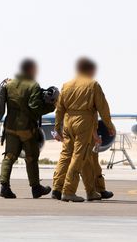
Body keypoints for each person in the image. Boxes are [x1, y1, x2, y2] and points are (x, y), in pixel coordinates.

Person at [53, 57, 115, 202]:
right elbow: (103, 108)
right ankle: (68, 191)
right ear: (90, 70)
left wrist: (57, 128)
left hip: (68, 122)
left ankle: (84, 191)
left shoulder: (66, 85)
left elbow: (59, 109)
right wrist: (109, 126)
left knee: (68, 155)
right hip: (84, 122)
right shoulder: (92, 85)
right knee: (80, 156)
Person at [0, 59, 54, 199]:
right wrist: (51, 106)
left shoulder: (9, 84)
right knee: (31, 157)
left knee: (9, 156)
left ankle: (4, 187)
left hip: (10, 127)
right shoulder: (33, 85)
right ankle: (36, 188)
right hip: (26, 128)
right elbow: (35, 108)